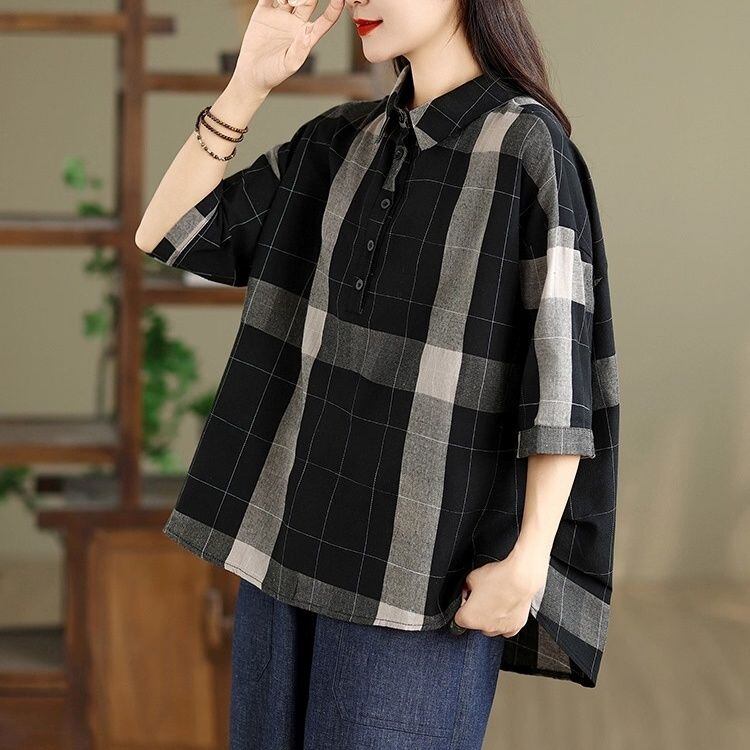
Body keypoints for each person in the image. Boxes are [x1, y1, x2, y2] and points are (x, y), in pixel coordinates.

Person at [136, 0, 620, 747]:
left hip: (421, 571)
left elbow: (560, 375)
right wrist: (248, 82)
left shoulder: (527, 147)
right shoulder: (339, 140)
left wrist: (528, 562)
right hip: (280, 544)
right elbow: (170, 231)